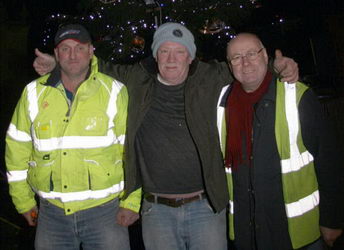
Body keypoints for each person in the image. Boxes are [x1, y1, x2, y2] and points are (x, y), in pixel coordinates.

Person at [33, 22, 298, 250]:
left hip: (205, 206)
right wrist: (57, 62)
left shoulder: (211, 76)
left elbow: (247, 66)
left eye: (179, 53)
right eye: (164, 51)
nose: (171, 59)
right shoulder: (137, 78)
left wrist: (279, 66)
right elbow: (96, 66)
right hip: (156, 210)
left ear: (191, 57)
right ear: (156, 56)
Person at [5, 24, 141, 250]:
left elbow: (132, 150)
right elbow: (16, 150)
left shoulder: (114, 91)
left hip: (106, 213)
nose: (72, 54)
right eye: (65, 49)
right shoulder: (33, 93)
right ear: (57, 55)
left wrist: (132, 202)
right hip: (51, 215)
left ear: (91, 51)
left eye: (79, 48)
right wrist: (24, 202)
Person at [223, 33, 344, 250]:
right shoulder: (223, 103)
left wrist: (333, 219)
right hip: (249, 233)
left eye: (252, 53)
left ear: (265, 56)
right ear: (230, 66)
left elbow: (330, 161)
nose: (245, 62)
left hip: (300, 235)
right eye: (236, 57)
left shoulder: (297, 97)